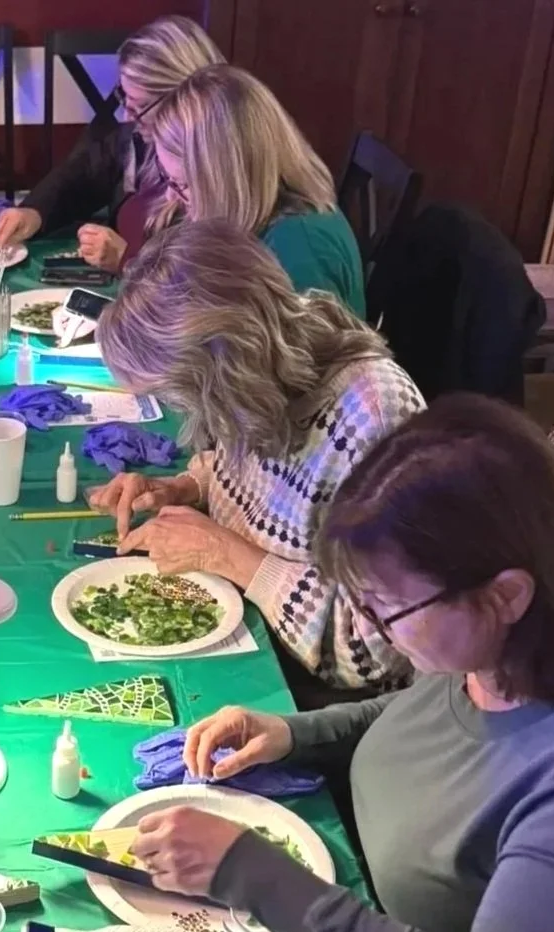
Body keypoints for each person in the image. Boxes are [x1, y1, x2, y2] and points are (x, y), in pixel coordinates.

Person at [126, 396, 554, 932]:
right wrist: (295, 731)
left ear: (506, 593)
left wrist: (252, 873)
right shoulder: (484, 659)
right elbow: (418, 713)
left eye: (385, 610)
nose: (363, 629)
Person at [90, 220, 423, 693]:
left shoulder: (372, 414)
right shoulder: (265, 370)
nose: (182, 411)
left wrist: (234, 558)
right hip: (251, 627)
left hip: (313, 696)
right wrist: (186, 489)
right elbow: (255, 482)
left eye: (181, 396)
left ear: (225, 370)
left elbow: (376, 653)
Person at [0, 15, 223, 257]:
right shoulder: (138, 136)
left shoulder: (216, 173)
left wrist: (126, 259)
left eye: (139, 106)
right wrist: (34, 213)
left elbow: (198, 270)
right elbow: (87, 173)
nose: (126, 117)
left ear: (186, 100)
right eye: (125, 99)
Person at [140, 65, 364, 312]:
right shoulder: (256, 217)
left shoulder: (298, 248)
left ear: (226, 179)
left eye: (182, 184)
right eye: (167, 178)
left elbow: (303, 350)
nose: (172, 195)